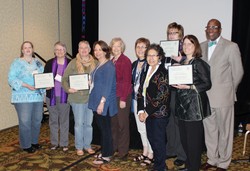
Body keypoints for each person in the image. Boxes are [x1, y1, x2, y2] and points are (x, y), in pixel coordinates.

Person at [200, 19, 244, 171]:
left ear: (220, 29)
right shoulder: (201, 46)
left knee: (225, 131)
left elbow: (238, 72)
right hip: (205, 97)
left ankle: (224, 162)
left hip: (223, 97)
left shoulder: (231, 47)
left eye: (214, 27)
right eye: (208, 27)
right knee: (210, 131)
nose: (211, 30)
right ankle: (212, 159)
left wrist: (229, 90)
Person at [173, 35, 212, 171]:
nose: (186, 46)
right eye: (184, 44)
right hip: (182, 107)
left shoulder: (199, 63)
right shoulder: (183, 63)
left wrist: (189, 87)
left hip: (194, 109)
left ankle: (194, 168)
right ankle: (189, 166)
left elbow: (207, 84)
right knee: (185, 141)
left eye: (190, 44)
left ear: (195, 46)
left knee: (193, 144)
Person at [137, 44, 170, 171]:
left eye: (154, 55)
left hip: (159, 114)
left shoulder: (163, 73)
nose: (151, 58)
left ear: (159, 57)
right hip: (148, 113)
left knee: (158, 142)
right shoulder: (146, 71)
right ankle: (159, 165)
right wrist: (140, 110)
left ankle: (160, 167)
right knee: (152, 140)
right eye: (148, 55)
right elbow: (140, 92)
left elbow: (162, 96)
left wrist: (146, 112)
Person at [8, 41, 45, 153]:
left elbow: (43, 77)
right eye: (25, 47)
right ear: (22, 50)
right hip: (22, 97)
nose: (28, 49)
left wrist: (45, 88)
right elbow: (11, 78)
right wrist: (26, 85)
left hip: (37, 96)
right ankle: (26, 145)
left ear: (33, 49)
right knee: (25, 121)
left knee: (37, 120)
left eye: (30, 47)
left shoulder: (38, 63)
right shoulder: (17, 63)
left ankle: (34, 141)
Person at [62, 40, 97, 156]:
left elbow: (100, 79)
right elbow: (64, 79)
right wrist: (68, 89)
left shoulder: (96, 63)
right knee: (78, 124)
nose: (83, 50)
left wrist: (93, 82)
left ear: (89, 49)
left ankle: (87, 145)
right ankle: (79, 146)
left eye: (86, 48)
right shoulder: (73, 63)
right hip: (77, 99)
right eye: (81, 48)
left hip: (91, 98)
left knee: (88, 124)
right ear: (78, 50)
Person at [88, 40, 118, 164]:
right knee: (102, 128)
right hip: (97, 99)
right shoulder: (98, 64)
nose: (97, 52)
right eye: (95, 49)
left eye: (100, 49)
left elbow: (108, 86)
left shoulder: (109, 65)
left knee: (105, 129)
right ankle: (105, 151)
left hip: (103, 102)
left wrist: (102, 103)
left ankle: (107, 155)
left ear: (106, 51)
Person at [165, 22, 187, 167]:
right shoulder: (164, 52)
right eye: (170, 33)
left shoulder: (184, 51)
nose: (171, 35)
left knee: (179, 124)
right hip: (166, 92)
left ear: (181, 36)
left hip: (180, 92)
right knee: (169, 123)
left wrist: (183, 61)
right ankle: (171, 149)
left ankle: (182, 154)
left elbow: (192, 66)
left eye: (174, 33)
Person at [44, 41, 71, 151]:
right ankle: (54, 142)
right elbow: (45, 77)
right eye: (57, 49)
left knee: (64, 120)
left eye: (61, 49)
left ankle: (64, 143)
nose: (59, 51)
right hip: (52, 96)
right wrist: (46, 85)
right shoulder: (49, 63)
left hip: (65, 96)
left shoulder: (70, 63)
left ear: (65, 51)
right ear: (54, 51)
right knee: (53, 120)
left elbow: (73, 78)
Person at [131, 38, 154, 163]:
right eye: (138, 47)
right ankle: (145, 150)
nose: (140, 49)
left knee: (148, 128)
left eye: (143, 47)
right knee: (140, 128)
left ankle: (151, 153)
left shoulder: (150, 64)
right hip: (136, 100)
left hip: (146, 102)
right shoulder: (134, 64)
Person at [110, 37, 132, 159]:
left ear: (122, 48)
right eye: (114, 46)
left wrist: (123, 99)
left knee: (122, 124)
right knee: (114, 124)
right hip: (113, 97)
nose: (116, 48)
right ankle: (114, 147)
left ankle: (123, 151)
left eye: (119, 46)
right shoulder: (112, 61)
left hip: (122, 96)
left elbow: (127, 81)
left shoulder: (125, 60)